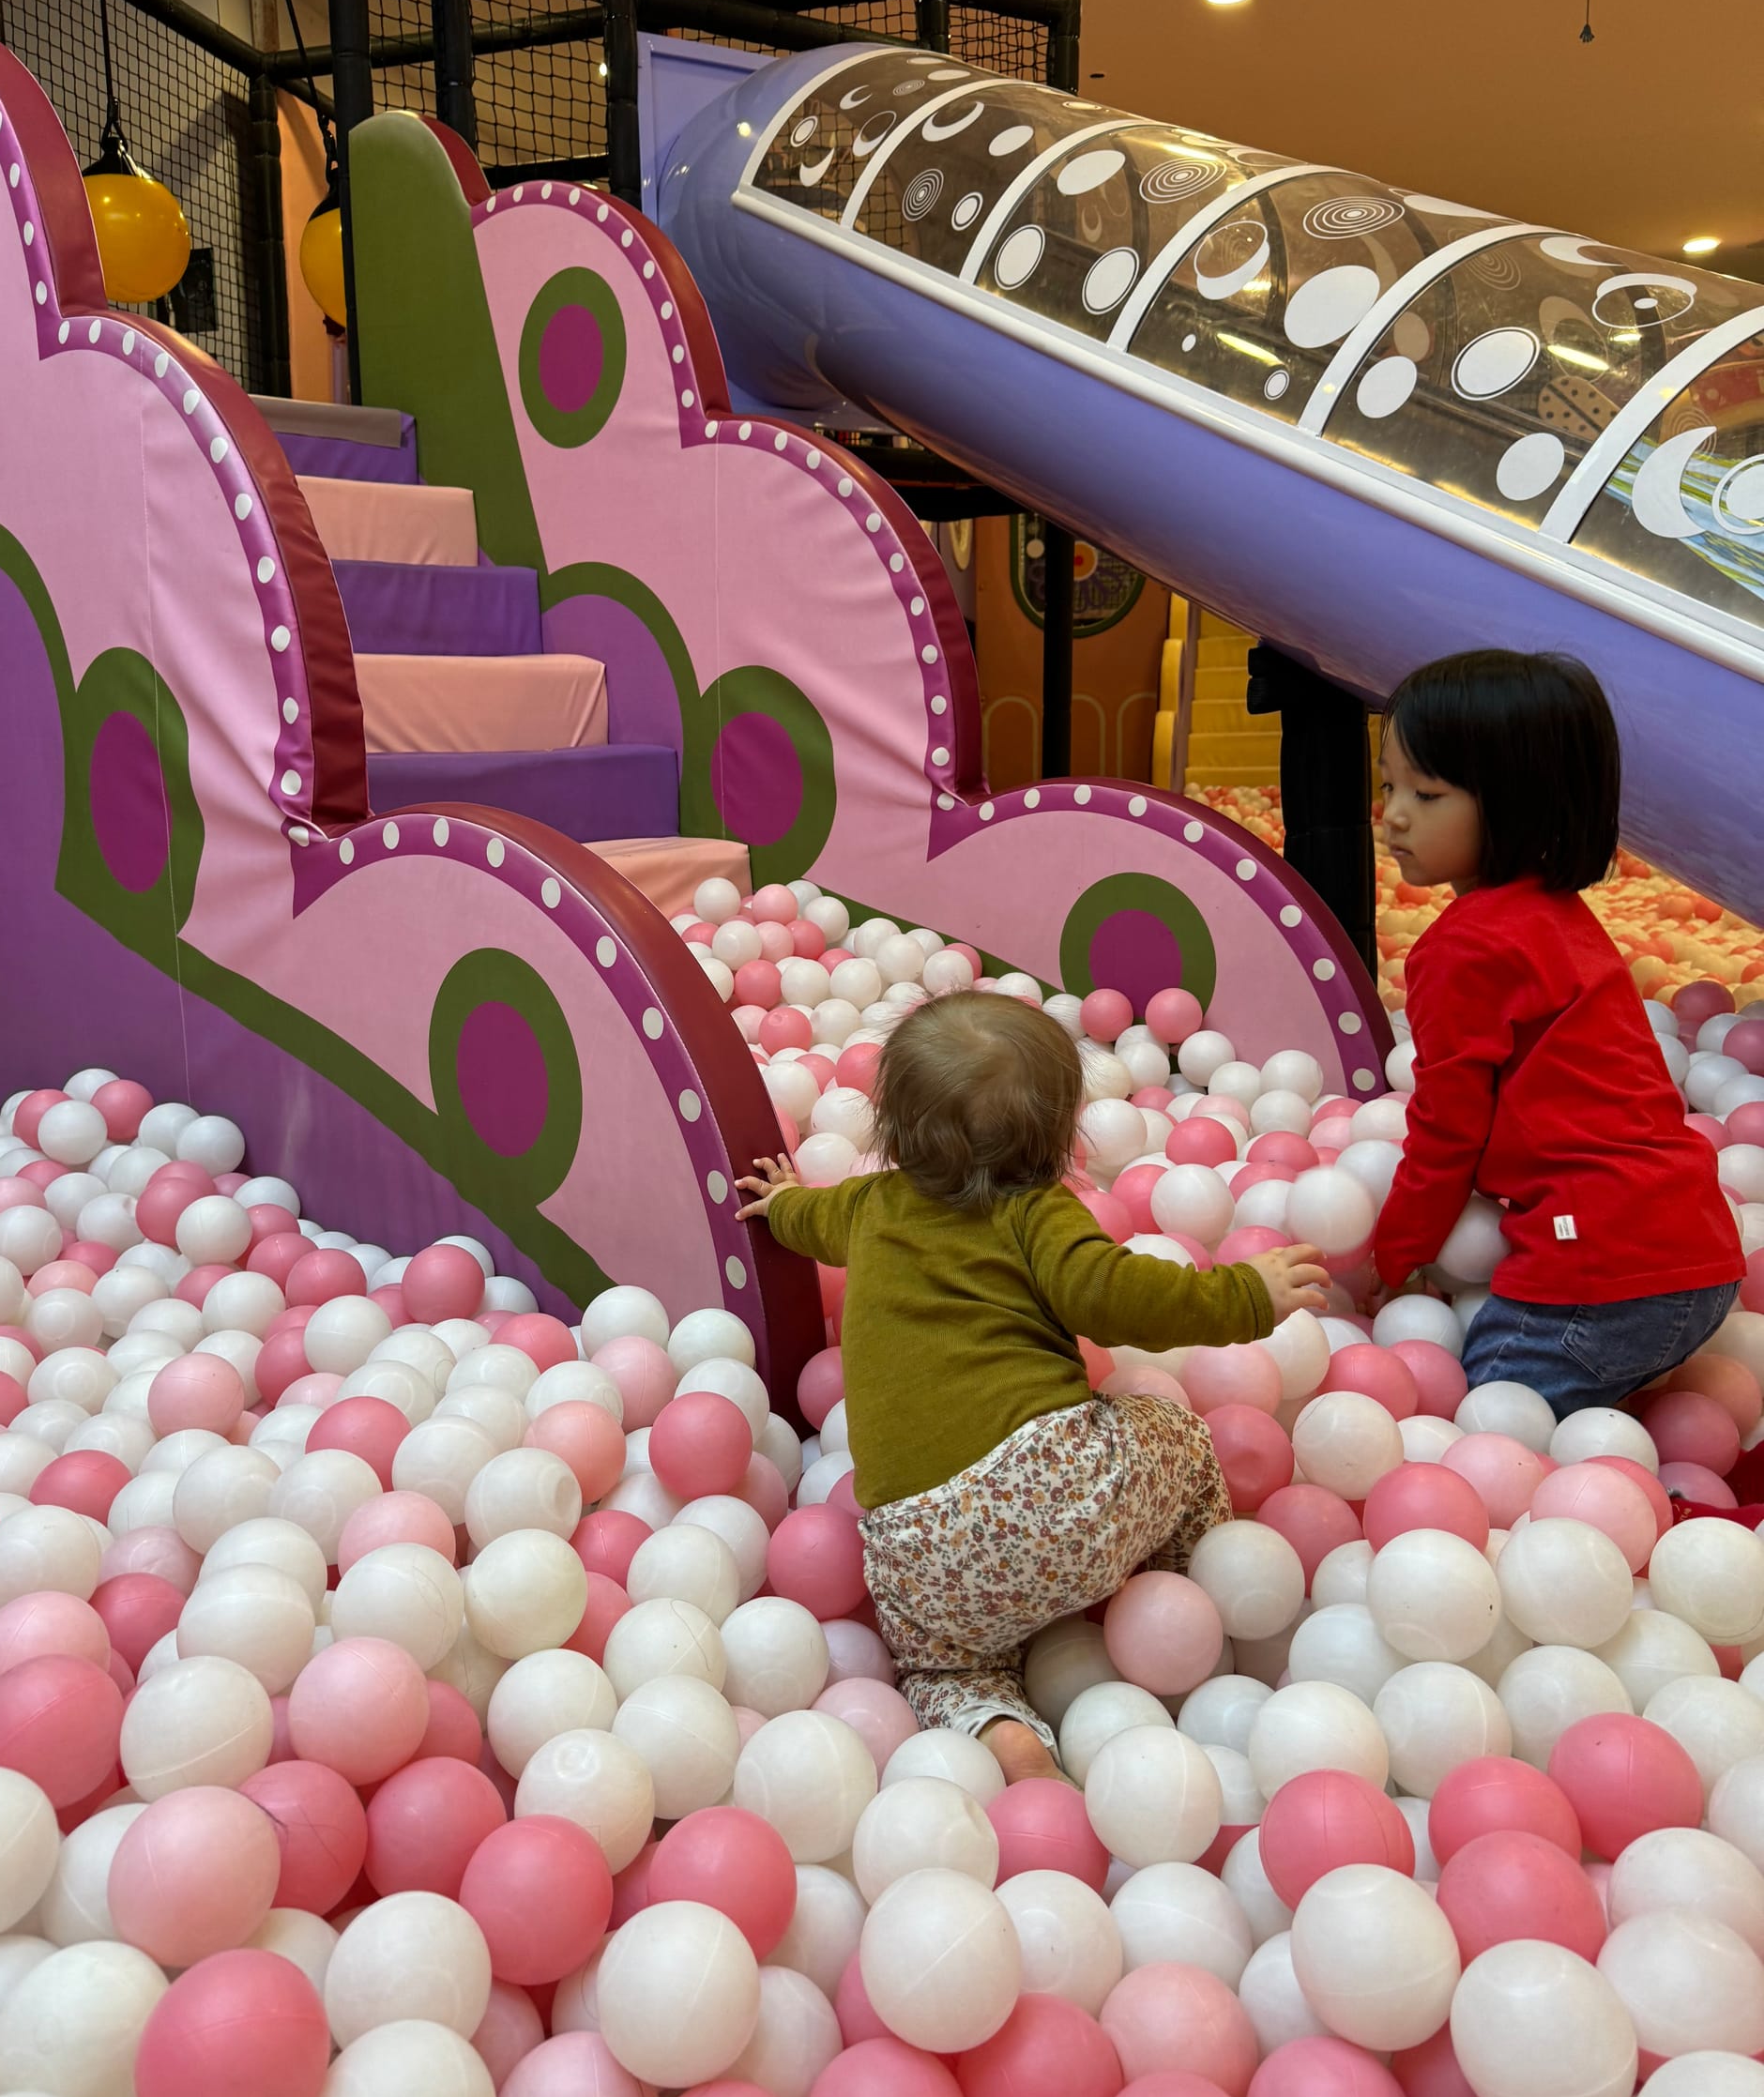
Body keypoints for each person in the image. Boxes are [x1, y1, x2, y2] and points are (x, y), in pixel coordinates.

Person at [735, 991, 1330, 1783]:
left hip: (921, 1550)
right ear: (1059, 1139)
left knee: (942, 1669)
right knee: (1177, 1434)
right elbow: (1122, 1296)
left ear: (891, 1129)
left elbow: (810, 1217)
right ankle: (1176, 1589)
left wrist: (779, 1204)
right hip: (1062, 1494)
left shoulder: (868, 1206)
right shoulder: (1036, 1212)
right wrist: (1248, 1293)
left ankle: (1002, 1732)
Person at [1375, 647, 1741, 1417]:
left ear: (1516, 802)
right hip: (1695, 1252)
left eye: (1427, 791)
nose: (1394, 813)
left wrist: (1395, 1253)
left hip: (1602, 1275)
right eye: (1388, 784)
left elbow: (1448, 1128)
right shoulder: (1560, 917)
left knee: (1484, 1423)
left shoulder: (1465, 947)